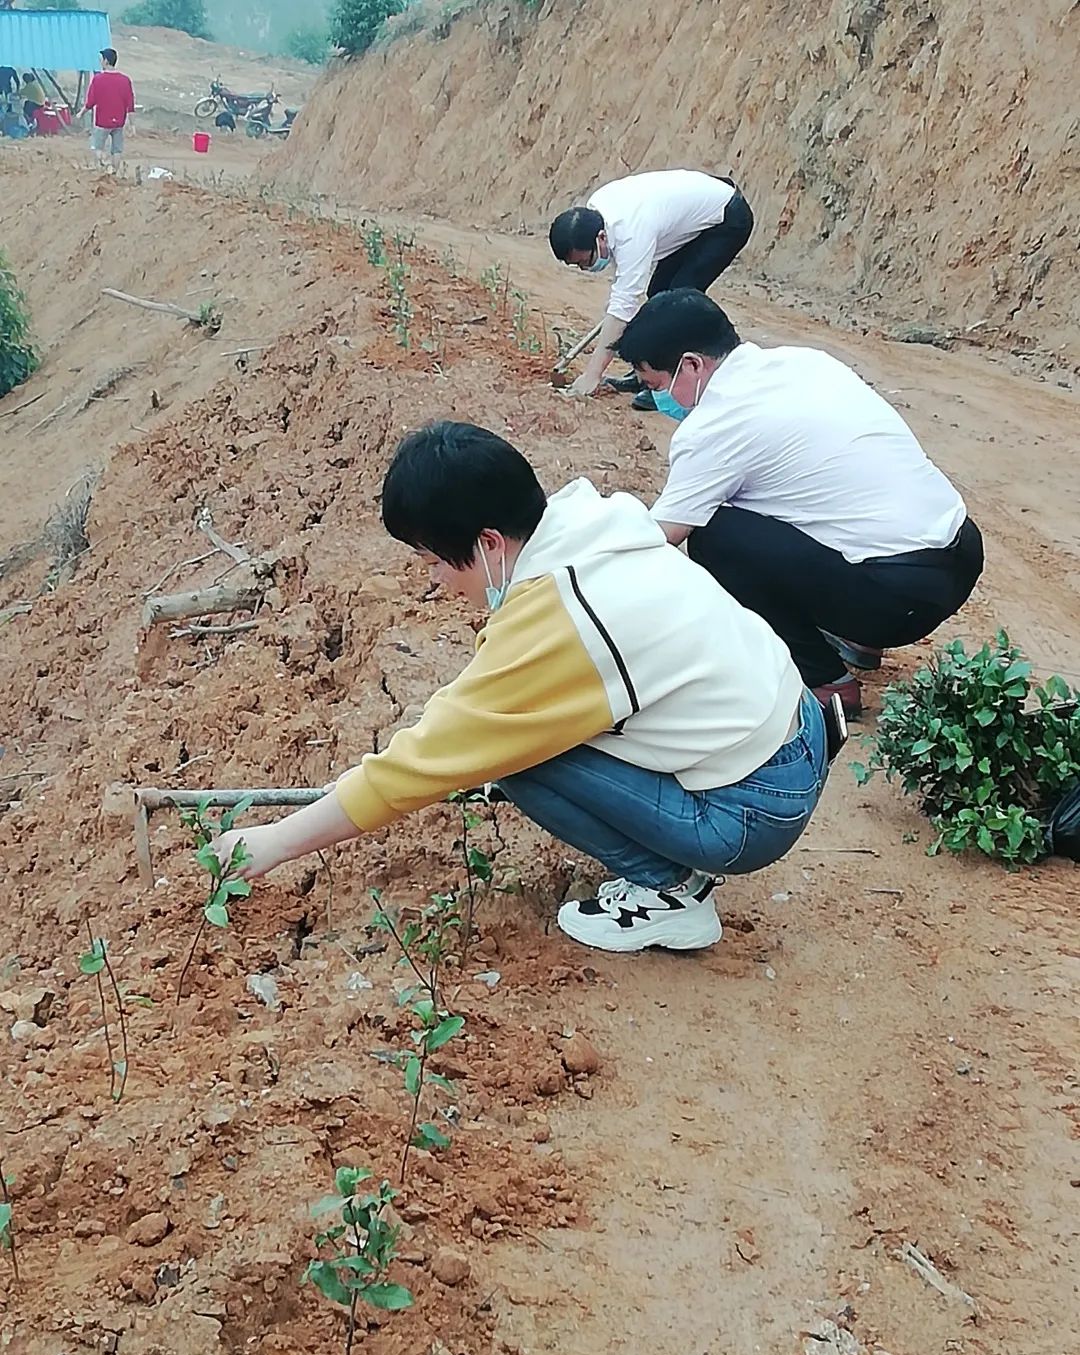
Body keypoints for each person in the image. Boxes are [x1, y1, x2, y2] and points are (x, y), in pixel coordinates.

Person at [211, 421, 828, 955]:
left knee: (517, 760)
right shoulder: (590, 521)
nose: (434, 581)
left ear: (487, 544)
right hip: (795, 724)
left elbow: (430, 758)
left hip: (755, 809)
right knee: (524, 736)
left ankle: (670, 895)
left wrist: (277, 840)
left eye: (432, 561)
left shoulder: (563, 622)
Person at [614, 289, 984, 717]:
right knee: (795, 497)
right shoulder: (806, 361)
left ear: (692, 365)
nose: (655, 398)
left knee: (716, 535)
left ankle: (827, 682)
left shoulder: (715, 426)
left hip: (895, 601)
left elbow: (661, 537)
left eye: (655, 384)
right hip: (962, 553)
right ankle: (859, 642)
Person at [548, 169, 753, 410]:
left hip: (727, 218)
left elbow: (624, 306)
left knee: (678, 301)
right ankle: (645, 375)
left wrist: (592, 375)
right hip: (696, 214)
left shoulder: (631, 232)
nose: (585, 268)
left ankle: (669, 385)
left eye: (585, 261)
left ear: (601, 238)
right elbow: (623, 298)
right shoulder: (597, 212)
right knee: (658, 293)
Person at [80, 48, 135, 164]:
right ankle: (114, 173)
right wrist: (132, 124)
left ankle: (103, 164)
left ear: (105, 61)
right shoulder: (125, 80)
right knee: (117, 150)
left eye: (101, 60)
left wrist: (81, 113)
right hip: (119, 122)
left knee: (98, 148)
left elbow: (90, 102)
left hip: (102, 122)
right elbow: (130, 105)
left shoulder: (98, 79)